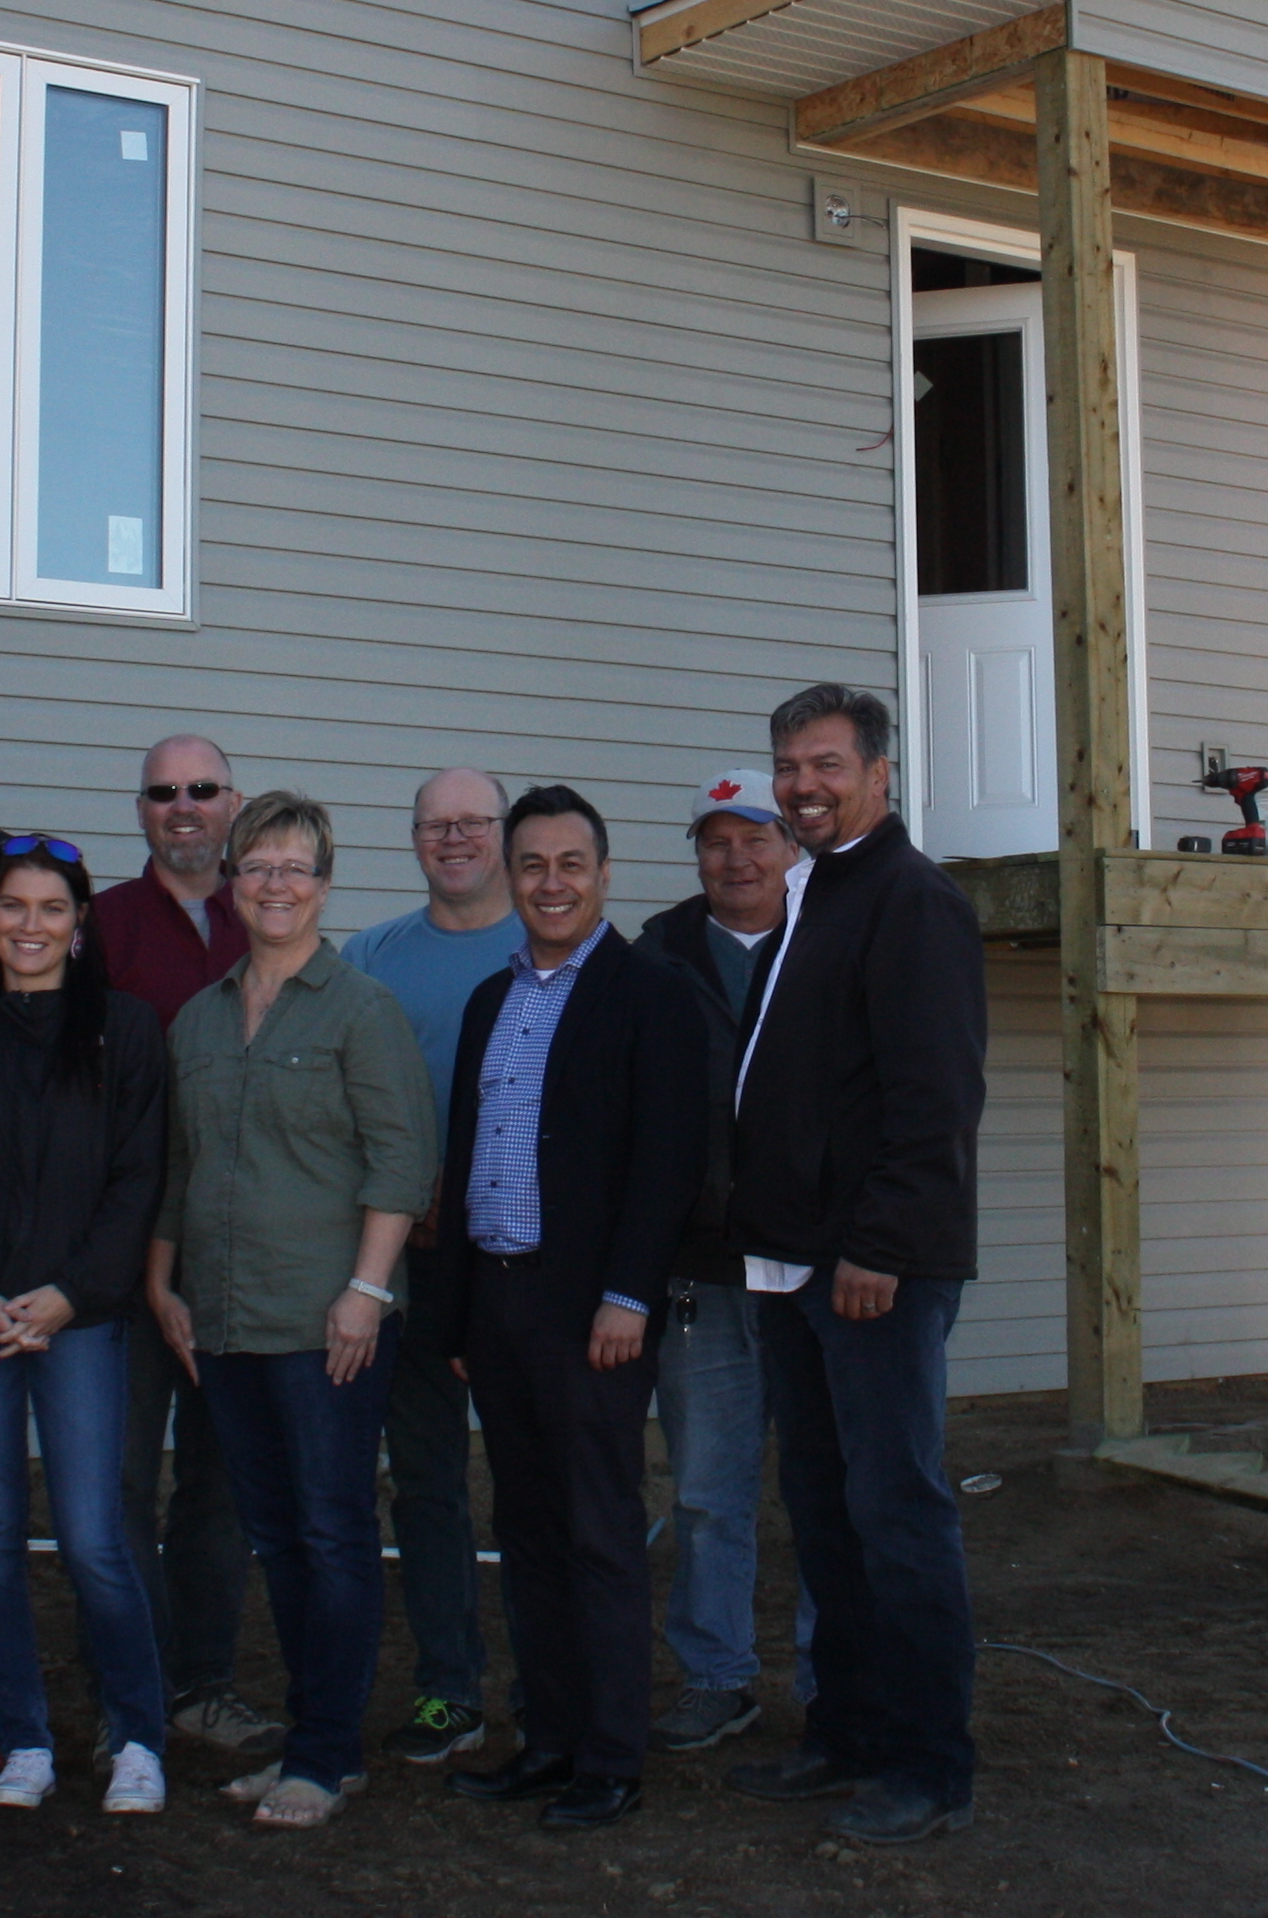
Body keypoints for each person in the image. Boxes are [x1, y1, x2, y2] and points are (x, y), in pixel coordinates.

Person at [721, 685, 989, 1848]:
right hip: (790, 1264)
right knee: (824, 1510)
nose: (801, 786)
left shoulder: (912, 901)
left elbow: (933, 1101)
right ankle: (847, 1731)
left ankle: (929, 1763)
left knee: (898, 1511)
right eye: (787, 766)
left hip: (870, 1267)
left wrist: (877, 1246)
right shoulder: (814, 894)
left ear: (881, 772)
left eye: (825, 764)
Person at [146, 792, 436, 1830]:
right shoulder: (198, 1017)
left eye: (295, 866)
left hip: (327, 1325)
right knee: (273, 1532)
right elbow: (180, 1161)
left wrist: (365, 1292)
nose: (275, 884)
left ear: (325, 883)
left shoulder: (361, 1009)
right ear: (232, 878)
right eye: (257, 865)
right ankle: (315, 1739)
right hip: (222, 1321)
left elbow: (403, 1161)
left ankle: (323, 1752)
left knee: (332, 1531)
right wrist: (162, 1281)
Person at [426, 788, 704, 1831]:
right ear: (510, 871)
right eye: (532, 863)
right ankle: (545, 1738)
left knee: (596, 1531)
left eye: (570, 863)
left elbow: (666, 1161)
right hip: (497, 1305)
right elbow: (462, 1165)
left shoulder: (650, 993)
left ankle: (609, 1757)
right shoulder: (490, 1003)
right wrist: (454, 1319)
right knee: (527, 1528)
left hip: (591, 1308)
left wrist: (628, 1292)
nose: (551, 882)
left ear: (602, 872)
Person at [0, 834, 176, 1815]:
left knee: (97, 1535)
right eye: (12, 908)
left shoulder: (127, 1032)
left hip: (83, 1318)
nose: (30, 925)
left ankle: (137, 1735)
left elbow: (136, 1179)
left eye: (50, 908)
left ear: (78, 923)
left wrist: (71, 1292)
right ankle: (23, 1738)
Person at [89, 734, 278, 1757]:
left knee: (220, 1484)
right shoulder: (101, 926)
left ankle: (202, 1684)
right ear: (142, 810)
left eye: (202, 789)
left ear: (233, 803)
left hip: (242, 1262)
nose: (184, 807)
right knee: (115, 1484)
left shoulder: (270, 923)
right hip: (122, 1264)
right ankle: (130, 1693)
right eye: (163, 792)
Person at [335, 766, 527, 1764]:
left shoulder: (556, 949)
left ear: (503, 831)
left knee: (540, 1485)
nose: (452, 838)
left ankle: (548, 1687)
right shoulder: (370, 960)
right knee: (427, 1484)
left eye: (472, 822)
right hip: (405, 1271)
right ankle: (449, 1688)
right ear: (411, 838)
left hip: (520, 1275)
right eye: (433, 824)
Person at [630, 765, 803, 1750]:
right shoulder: (655, 957)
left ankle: (838, 1677)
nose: (735, 856)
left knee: (830, 1487)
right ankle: (715, 1673)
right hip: (701, 1269)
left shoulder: (830, 944)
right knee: (705, 1488)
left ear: (790, 846)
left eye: (755, 837)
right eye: (715, 839)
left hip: (817, 1270)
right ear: (694, 852)